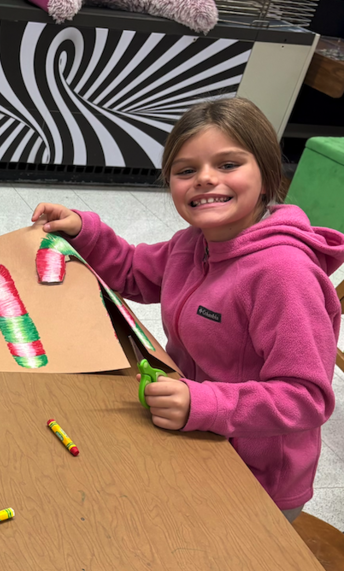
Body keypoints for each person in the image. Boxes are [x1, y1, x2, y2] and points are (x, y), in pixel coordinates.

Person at [32, 98, 343, 523]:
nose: (205, 178)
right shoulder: (191, 243)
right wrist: (85, 233)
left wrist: (205, 402)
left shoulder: (284, 274)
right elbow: (134, 272)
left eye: (228, 164)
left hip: (257, 479)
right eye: (186, 170)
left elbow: (306, 399)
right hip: (193, 435)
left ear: (268, 177)